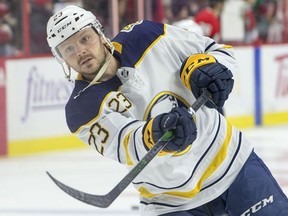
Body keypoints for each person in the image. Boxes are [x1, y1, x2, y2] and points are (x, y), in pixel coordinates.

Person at [46, 5, 288, 216]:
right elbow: (126, 145)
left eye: (85, 39)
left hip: (232, 164)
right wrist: (154, 133)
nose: (80, 51)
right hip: (169, 202)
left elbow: (217, 51)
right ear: (61, 60)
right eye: (68, 49)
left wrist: (207, 68)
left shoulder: (145, 36)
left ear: (99, 34)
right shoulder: (81, 110)